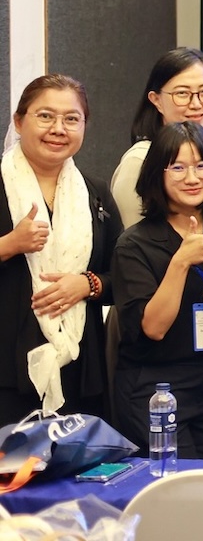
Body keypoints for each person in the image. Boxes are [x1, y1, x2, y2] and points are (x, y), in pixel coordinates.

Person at [111, 124, 203, 455]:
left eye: (201, 165)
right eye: (178, 167)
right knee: (176, 482)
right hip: (155, 389)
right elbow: (153, 328)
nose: (192, 178)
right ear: (158, 174)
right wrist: (180, 261)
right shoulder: (135, 244)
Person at [0, 75, 118, 424]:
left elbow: (123, 274)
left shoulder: (95, 192)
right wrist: (9, 245)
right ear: (19, 122)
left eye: (71, 119)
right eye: (45, 116)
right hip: (6, 371)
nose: (58, 128)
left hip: (80, 367)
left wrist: (88, 284)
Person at [112, 48, 203, 227]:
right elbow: (132, 236)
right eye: (182, 93)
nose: (196, 104)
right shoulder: (139, 160)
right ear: (156, 100)